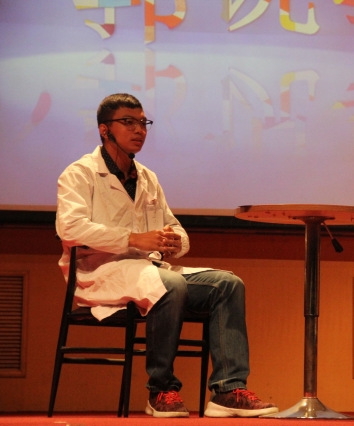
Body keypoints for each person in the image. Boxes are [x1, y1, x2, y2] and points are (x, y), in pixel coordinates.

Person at [55, 93, 278, 419]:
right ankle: (161, 390)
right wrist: (133, 239)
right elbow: (70, 228)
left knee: (228, 284)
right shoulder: (80, 173)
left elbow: (174, 228)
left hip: (148, 269)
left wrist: (175, 242)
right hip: (100, 272)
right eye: (128, 122)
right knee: (170, 284)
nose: (139, 130)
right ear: (104, 130)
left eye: (143, 122)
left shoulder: (147, 177)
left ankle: (228, 389)